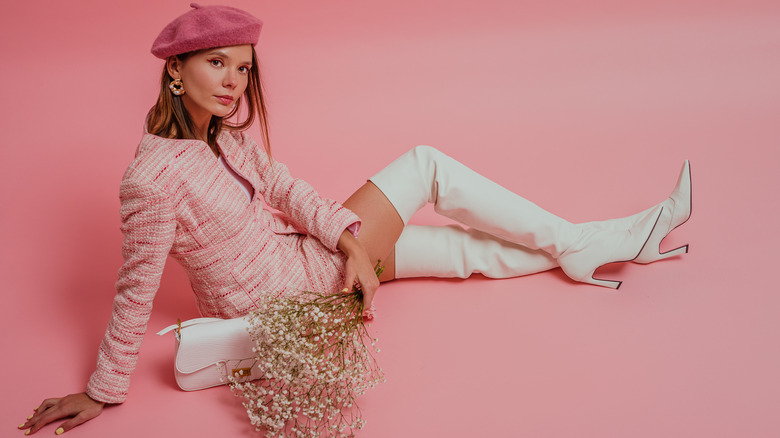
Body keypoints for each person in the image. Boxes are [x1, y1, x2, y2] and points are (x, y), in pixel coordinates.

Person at [18, 4, 692, 436]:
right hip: (286, 302)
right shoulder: (152, 177)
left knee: (462, 252)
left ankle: (580, 247)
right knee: (427, 163)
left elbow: (284, 185)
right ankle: (582, 242)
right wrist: (101, 392)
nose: (232, 82)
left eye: (242, 69)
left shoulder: (224, 137)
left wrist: (346, 241)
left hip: (317, 272)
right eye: (216, 63)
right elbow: (135, 288)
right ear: (175, 72)